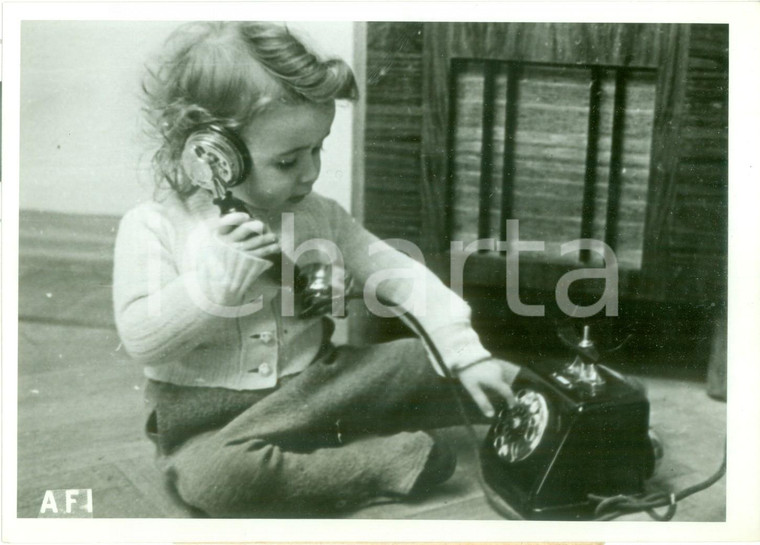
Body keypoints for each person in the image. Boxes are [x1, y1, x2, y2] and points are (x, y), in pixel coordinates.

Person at [113, 21, 521, 518]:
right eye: (287, 161)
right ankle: (386, 461)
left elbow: (398, 272)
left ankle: (574, 411)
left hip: (322, 384)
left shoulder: (318, 214)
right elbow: (142, 339)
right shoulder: (153, 225)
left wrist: (463, 353)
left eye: (317, 149)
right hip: (210, 420)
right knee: (217, 481)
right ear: (212, 153)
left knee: (423, 359)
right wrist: (214, 284)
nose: (310, 172)